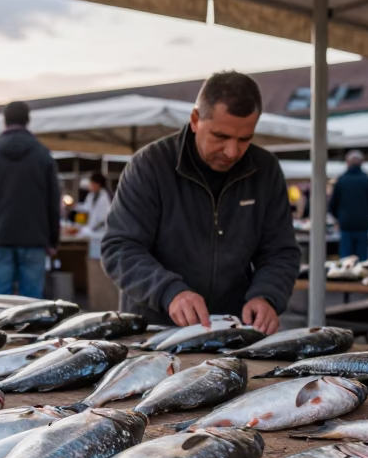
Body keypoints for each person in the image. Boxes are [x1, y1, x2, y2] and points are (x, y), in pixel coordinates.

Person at [102, 71, 300, 333]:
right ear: (195, 120)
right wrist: (169, 292)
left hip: (233, 332)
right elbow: (119, 247)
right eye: (220, 136)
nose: (232, 152)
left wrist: (267, 296)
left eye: (244, 139)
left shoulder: (266, 169)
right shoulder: (150, 165)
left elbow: (280, 251)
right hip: (154, 331)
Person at [0, 101, 61, 299]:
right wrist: (53, 239)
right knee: (32, 303)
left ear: (4, 120)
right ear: (28, 120)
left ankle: (2, 331)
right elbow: (54, 201)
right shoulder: (42, 154)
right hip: (34, 237)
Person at [328, 150, 368, 260]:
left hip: (346, 223)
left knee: (346, 259)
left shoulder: (341, 180)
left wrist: (338, 217)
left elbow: (333, 203)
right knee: (362, 259)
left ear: (347, 162)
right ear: (361, 162)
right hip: (363, 224)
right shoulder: (367, 180)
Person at [83, 172, 113, 258]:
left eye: (91, 183)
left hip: (100, 233)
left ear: (97, 184)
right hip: (92, 232)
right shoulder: (91, 196)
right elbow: (86, 209)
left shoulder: (105, 198)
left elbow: (104, 218)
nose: (90, 185)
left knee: (99, 260)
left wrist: (93, 228)